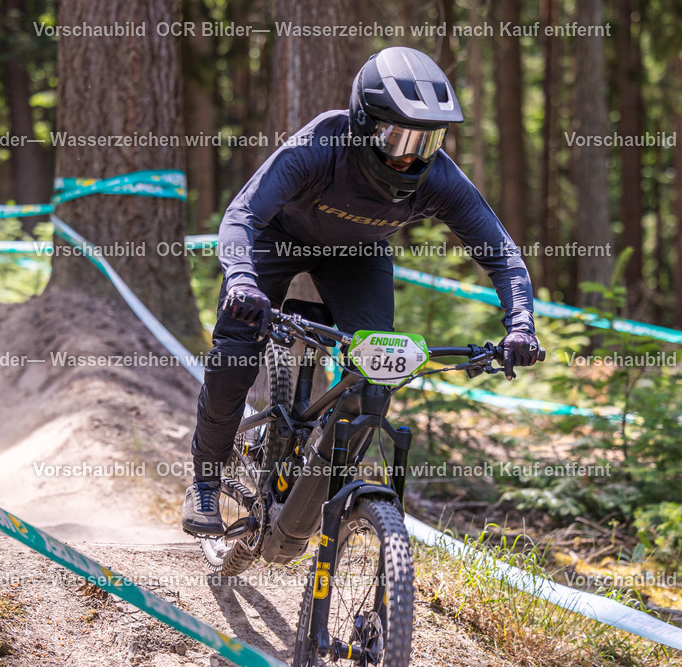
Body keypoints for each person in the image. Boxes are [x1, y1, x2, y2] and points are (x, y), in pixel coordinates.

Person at [182, 47, 540, 535]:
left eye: (427, 139)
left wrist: (521, 324)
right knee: (235, 354)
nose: (412, 154)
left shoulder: (438, 178)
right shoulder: (320, 146)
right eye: (398, 137)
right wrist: (242, 278)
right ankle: (205, 480)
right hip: (277, 239)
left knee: (378, 369)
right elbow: (243, 214)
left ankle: (324, 487)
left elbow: (502, 252)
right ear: (364, 123)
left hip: (357, 256)